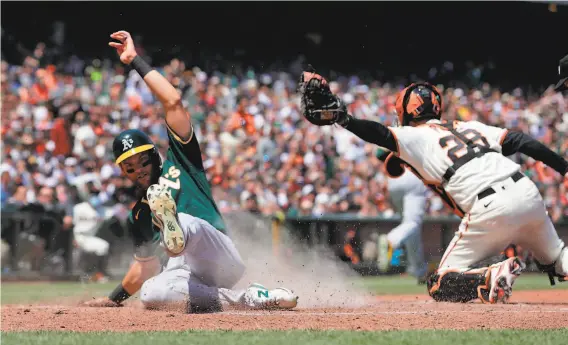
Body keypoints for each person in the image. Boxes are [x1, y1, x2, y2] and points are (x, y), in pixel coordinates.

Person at [298, 71, 568, 303]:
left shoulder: (413, 136)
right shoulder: (468, 126)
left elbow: (380, 134)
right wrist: (564, 168)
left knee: (440, 283)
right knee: (559, 258)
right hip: (527, 193)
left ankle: (489, 278)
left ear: (405, 111)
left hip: (489, 207)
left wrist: (345, 119)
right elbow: (520, 140)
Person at [85, 31, 298, 311]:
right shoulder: (138, 214)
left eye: (142, 160)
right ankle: (249, 298)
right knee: (152, 294)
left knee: (184, 221)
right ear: (122, 171)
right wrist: (114, 300)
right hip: (188, 276)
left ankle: (172, 221)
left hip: (217, 254)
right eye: (129, 166)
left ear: (155, 154)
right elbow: (144, 268)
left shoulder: (181, 159)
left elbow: (172, 101)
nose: (137, 169)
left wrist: (135, 60)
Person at [376, 148, 428, 284]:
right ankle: (392, 240)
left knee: (410, 227)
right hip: (412, 175)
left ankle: (419, 270)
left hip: (393, 177)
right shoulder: (414, 129)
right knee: (413, 223)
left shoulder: (392, 132)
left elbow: (379, 154)